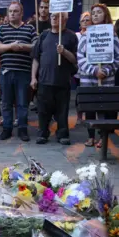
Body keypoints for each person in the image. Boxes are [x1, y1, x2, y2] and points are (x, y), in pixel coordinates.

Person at [77, 3, 119, 148]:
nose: (95, 15)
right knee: (90, 109)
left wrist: (106, 71)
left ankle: (103, 137)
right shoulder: (85, 34)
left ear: (106, 15)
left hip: (106, 79)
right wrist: (93, 70)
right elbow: (80, 56)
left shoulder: (113, 35)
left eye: (99, 12)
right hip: (88, 79)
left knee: (105, 109)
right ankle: (91, 137)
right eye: (93, 13)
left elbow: (118, 57)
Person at [31, 12, 78, 145]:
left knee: (62, 110)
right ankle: (43, 133)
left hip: (62, 81)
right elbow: (36, 58)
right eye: (52, 15)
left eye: (58, 16)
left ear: (65, 19)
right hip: (44, 80)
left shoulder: (70, 36)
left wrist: (64, 52)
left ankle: (62, 134)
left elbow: (75, 59)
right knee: (43, 110)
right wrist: (33, 77)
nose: (54, 18)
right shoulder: (44, 35)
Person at [0, 1, 37, 141]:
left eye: (15, 11)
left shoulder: (30, 28)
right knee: (6, 102)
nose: (12, 13)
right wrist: (11, 46)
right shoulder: (1, 29)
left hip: (24, 72)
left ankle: (23, 129)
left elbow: (36, 45)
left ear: (21, 13)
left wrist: (23, 46)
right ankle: (7, 128)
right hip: (6, 72)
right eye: (10, 11)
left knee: (22, 103)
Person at [75, 11, 91, 125]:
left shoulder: (96, 34)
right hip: (78, 69)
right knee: (79, 94)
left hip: (91, 70)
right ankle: (79, 116)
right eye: (83, 20)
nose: (85, 22)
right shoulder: (76, 35)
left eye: (87, 20)